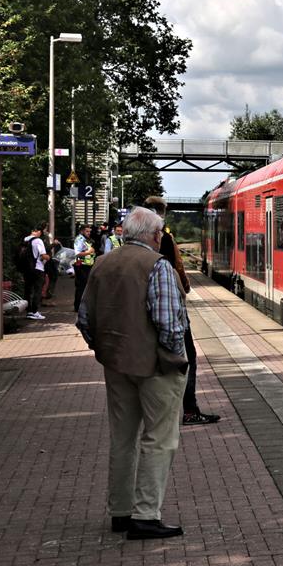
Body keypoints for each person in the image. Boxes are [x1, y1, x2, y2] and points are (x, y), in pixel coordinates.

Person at [76, 206, 189, 540]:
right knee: (160, 438)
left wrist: (106, 350)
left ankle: (121, 512)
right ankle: (145, 515)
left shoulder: (102, 264)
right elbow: (169, 323)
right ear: (154, 236)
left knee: (122, 438)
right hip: (155, 367)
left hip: (116, 365)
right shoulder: (158, 266)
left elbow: (84, 319)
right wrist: (174, 355)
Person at [144, 196, 219, 426]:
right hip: (169, 304)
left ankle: (152, 411)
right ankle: (189, 410)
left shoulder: (127, 242)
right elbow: (178, 266)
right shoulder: (164, 237)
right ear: (161, 213)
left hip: (140, 311)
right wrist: (185, 288)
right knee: (188, 356)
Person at [22, 224, 50, 320]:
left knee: (28, 290)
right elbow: (43, 255)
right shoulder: (38, 241)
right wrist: (48, 257)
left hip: (26, 269)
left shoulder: (25, 240)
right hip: (38, 268)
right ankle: (35, 311)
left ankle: (29, 311)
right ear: (38, 231)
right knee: (37, 290)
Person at [73, 223, 96, 312]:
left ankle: (81, 306)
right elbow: (77, 253)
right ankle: (78, 306)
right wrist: (89, 251)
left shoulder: (86, 239)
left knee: (84, 286)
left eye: (89, 231)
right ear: (82, 231)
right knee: (81, 287)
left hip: (87, 265)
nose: (89, 233)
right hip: (81, 266)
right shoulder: (80, 239)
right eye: (87, 231)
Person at [42, 237, 62, 301]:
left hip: (47, 261)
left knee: (53, 276)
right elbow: (45, 249)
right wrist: (53, 244)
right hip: (44, 261)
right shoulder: (41, 238)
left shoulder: (45, 236)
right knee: (52, 276)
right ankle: (47, 295)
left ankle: (48, 294)